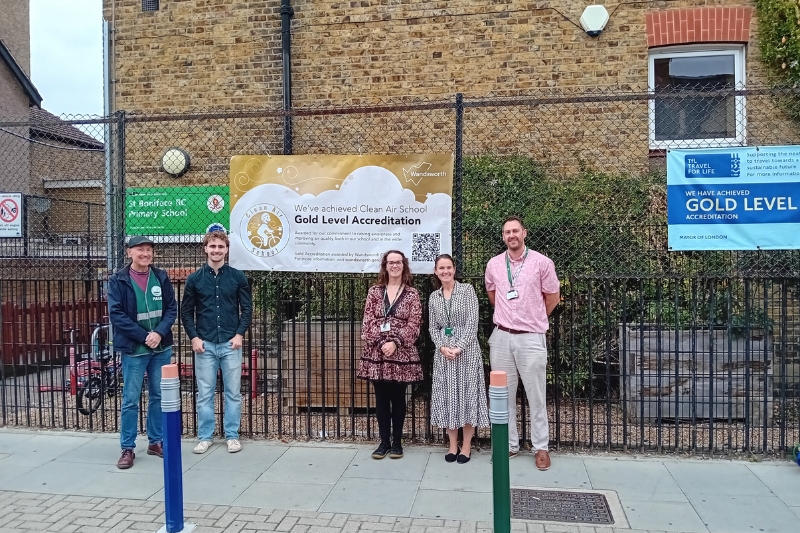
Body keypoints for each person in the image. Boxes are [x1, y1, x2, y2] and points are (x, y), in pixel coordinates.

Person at [485, 216, 560, 471]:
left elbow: (553, 297)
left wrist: (533, 319)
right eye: (507, 232)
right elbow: (493, 296)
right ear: (503, 236)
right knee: (503, 395)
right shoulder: (494, 264)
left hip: (530, 336)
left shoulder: (542, 262)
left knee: (536, 395)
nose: (511, 235)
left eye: (515, 231)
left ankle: (541, 447)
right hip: (502, 336)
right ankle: (509, 444)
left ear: (524, 233)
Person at [108, 235, 177, 469]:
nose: (145, 254)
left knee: (158, 396)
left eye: (149, 250)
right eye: (140, 249)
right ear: (129, 252)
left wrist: (158, 333)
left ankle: (155, 441)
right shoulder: (118, 280)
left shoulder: (161, 277)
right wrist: (143, 336)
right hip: (134, 349)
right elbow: (116, 315)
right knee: (130, 399)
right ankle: (127, 447)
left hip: (161, 348)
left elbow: (171, 309)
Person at [181, 230, 253, 454]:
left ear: (227, 250)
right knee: (205, 393)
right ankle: (205, 436)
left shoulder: (237, 277)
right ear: (205, 248)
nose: (216, 251)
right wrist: (194, 337)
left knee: (233, 392)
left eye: (221, 247)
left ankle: (232, 435)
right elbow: (186, 311)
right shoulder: (194, 279)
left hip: (231, 343)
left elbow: (247, 308)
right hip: (205, 344)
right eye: (213, 246)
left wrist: (240, 333)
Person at [357, 250, 423, 460]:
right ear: (385, 266)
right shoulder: (375, 292)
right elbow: (367, 323)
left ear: (404, 266)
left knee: (398, 398)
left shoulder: (412, 294)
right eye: (390, 262)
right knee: (381, 399)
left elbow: (414, 324)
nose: (394, 266)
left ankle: (397, 442)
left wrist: (395, 342)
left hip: (401, 353)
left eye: (398, 262)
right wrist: (381, 343)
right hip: (377, 354)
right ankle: (383, 442)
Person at [428, 254, 489, 464]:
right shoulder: (434, 297)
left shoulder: (467, 291)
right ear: (436, 271)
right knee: (449, 397)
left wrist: (459, 347)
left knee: (467, 395)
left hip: (467, 352)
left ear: (454, 269)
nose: (445, 271)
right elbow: (432, 327)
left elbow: (473, 322)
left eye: (449, 267)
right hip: (444, 353)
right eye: (441, 268)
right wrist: (442, 346)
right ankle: (452, 444)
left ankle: (466, 445)